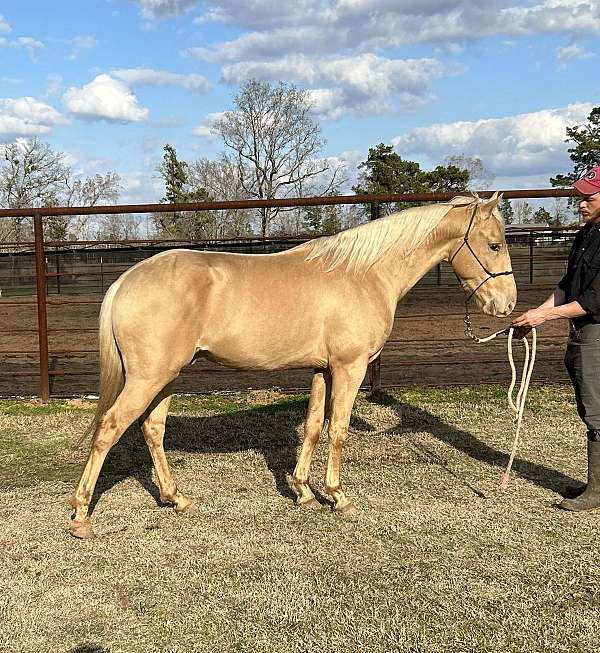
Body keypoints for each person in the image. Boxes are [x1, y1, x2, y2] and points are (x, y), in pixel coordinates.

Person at [511, 166, 600, 511]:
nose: (581, 203)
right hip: (581, 331)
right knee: (589, 404)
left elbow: (594, 300)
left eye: (589, 197)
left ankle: (596, 491)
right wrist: (536, 314)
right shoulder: (587, 235)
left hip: (595, 330)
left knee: (596, 409)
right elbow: (567, 286)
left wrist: (543, 316)